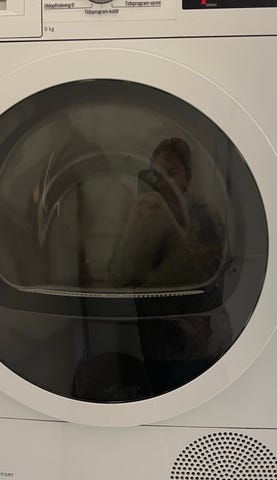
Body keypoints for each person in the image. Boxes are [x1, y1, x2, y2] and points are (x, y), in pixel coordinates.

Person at [108, 137, 233, 395]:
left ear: (187, 178)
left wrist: (174, 230)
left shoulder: (205, 217)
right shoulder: (144, 215)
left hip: (199, 347)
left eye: (171, 173)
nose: (163, 182)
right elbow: (118, 276)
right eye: (155, 175)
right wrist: (133, 226)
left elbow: (208, 275)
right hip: (154, 343)